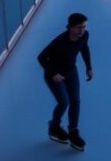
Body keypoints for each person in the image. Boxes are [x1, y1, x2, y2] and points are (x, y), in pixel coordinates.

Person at [38, 13, 93, 152]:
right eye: (78, 27)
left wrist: (88, 67)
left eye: (84, 27)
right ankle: (54, 127)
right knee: (64, 102)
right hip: (54, 75)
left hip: (71, 72)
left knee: (75, 101)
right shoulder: (60, 42)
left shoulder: (84, 35)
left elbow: (84, 48)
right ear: (70, 27)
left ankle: (73, 131)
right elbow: (41, 57)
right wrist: (54, 73)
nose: (82, 30)